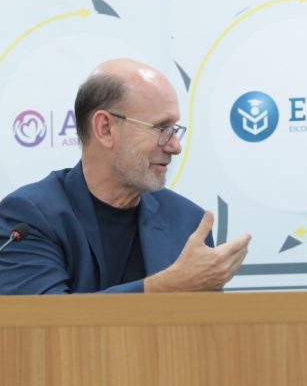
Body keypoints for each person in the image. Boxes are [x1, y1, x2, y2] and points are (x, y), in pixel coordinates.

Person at [0, 59, 251, 294]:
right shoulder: (28, 218)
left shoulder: (187, 222)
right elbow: (46, 320)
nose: (175, 146)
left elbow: (204, 325)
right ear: (105, 129)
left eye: (175, 129)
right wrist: (166, 286)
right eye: (162, 128)